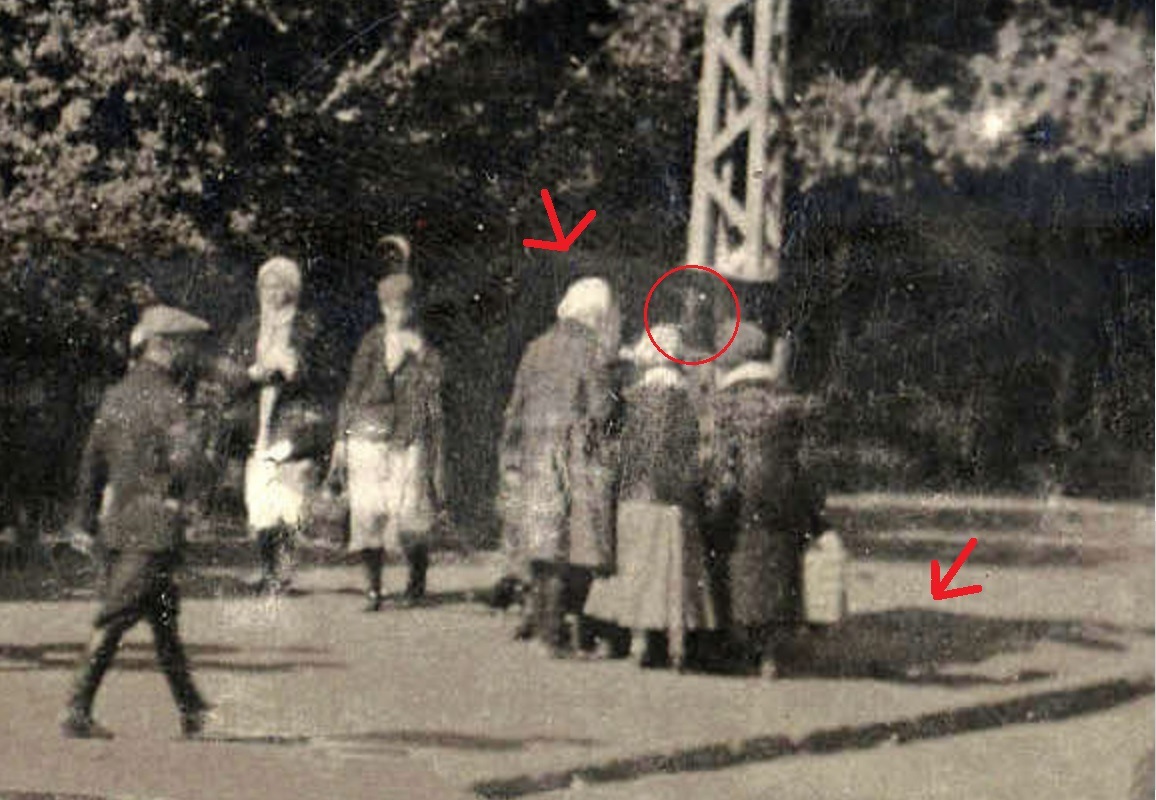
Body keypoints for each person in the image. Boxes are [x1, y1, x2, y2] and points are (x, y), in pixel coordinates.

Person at [62, 305, 214, 739]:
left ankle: (192, 708)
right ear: (161, 346)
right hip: (155, 529)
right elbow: (187, 462)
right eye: (183, 346)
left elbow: (92, 461)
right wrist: (195, 497)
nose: (188, 354)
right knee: (116, 617)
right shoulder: (171, 400)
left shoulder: (115, 395)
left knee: (163, 621)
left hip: (119, 525)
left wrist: (84, 519)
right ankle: (76, 708)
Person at [497, 276, 622, 656]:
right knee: (579, 547)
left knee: (544, 545)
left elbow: (515, 407)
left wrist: (511, 454)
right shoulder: (592, 351)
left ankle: (545, 630)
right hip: (577, 456)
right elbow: (602, 408)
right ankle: (570, 632)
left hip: (536, 452)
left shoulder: (536, 347)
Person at [584, 325, 716, 668]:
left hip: (635, 495)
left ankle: (636, 642)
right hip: (676, 501)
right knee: (674, 575)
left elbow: (612, 447)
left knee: (637, 570)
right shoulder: (688, 402)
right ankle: (676, 647)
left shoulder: (631, 400)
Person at [707, 321, 822, 678]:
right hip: (783, 495)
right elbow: (807, 458)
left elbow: (719, 457)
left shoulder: (726, 401)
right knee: (779, 563)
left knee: (738, 563)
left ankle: (743, 645)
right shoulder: (787, 400)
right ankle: (772, 651)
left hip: (742, 495)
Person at [328, 271, 445, 611]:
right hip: (368, 432)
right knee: (368, 511)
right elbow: (353, 391)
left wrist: (419, 354)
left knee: (409, 512)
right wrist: (341, 438)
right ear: (382, 307)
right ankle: (374, 589)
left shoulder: (424, 344)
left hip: (408, 434)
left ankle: (416, 579)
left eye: (403, 305)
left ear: (413, 307)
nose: (397, 312)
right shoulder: (372, 341)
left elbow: (436, 384)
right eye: (390, 306)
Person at [224, 256, 330, 594]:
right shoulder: (248, 328)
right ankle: (269, 570)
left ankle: (282, 573)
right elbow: (231, 374)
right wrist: (252, 373)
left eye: (278, 286)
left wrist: (294, 369)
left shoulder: (307, 327)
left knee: (287, 500)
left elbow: (323, 374)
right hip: (256, 422)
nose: (271, 293)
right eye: (266, 286)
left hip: (291, 421)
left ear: (291, 290)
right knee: (260, 502)